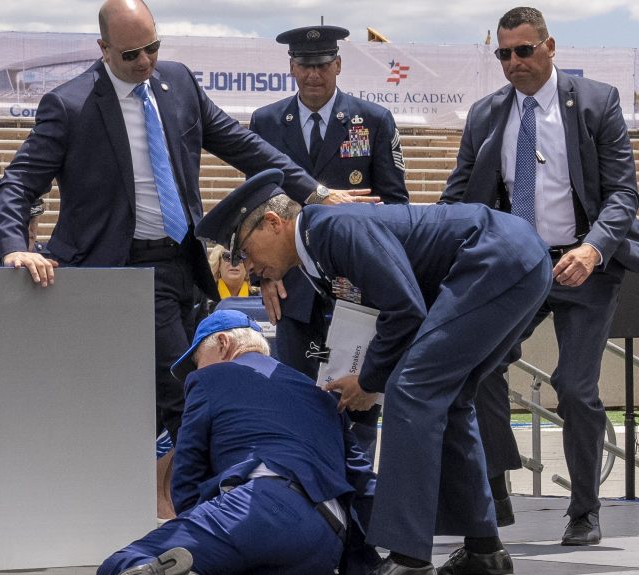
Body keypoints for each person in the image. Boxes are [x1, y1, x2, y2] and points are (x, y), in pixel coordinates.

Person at [0, 0, 374, 452]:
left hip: (183, 263)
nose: (145, 61)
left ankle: (159, 492)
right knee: (186, 389)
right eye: (131, 54)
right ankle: (207, 499)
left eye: (152, 47)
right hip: (119, 269)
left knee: (160, 395)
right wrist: (15, 245)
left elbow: (244, 146)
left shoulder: (179, 84)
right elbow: (17, 183)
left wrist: (314, 191)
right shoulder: (69, 105)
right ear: (104, 48)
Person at [198, 169, 554, 574]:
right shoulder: (318, 246)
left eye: (244, 252)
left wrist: (369, 381)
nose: (247, 267)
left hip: (497, 258)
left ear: (273, 223)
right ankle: (484, 551)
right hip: (512, 258)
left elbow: (404, 310)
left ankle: (409, 560)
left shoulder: (332, 227)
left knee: (412, 390)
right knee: (448, 397)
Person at [440, 6, 639, 548]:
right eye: (503, 53)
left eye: (523, 51)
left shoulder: (597, 102)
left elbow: (623, 194)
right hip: (515, 266)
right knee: (477, 368)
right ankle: (495, 488)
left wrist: (594, 249)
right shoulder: (486, 115)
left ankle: (584, 509)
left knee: (575, 389)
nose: (513, 62)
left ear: (550, 47)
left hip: (584, 265)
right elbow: (457, 198)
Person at [99, 309, 377, 575]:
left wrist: (197, 528)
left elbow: (187, 474)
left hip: (257, 508)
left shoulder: (210, 378)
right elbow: (363, 482)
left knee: (124, 562)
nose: (197, 369)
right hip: (328, 535)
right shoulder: (318, 393)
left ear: (223, 342)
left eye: (198, 360)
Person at [249, 24, 408, 462]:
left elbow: (394, 205)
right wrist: (263, 277)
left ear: (337, 65)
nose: (313, 75)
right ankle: (311, 497)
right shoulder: (266, 123)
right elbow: (255, 214)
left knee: (355, 403)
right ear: (291, 68)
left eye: (321, 65)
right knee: (299, 398)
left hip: (356, 290)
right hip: (294, 291)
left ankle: (355, 500)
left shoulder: (372, 120)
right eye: (304, 66)